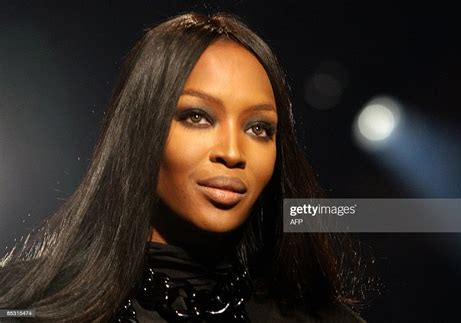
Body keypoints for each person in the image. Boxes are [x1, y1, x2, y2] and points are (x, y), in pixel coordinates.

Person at [0, 12, 369, 322]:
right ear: (142, 130)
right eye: (197, 116)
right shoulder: (23, 307)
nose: (232, 151)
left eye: (259, 128)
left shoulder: (318, 317)